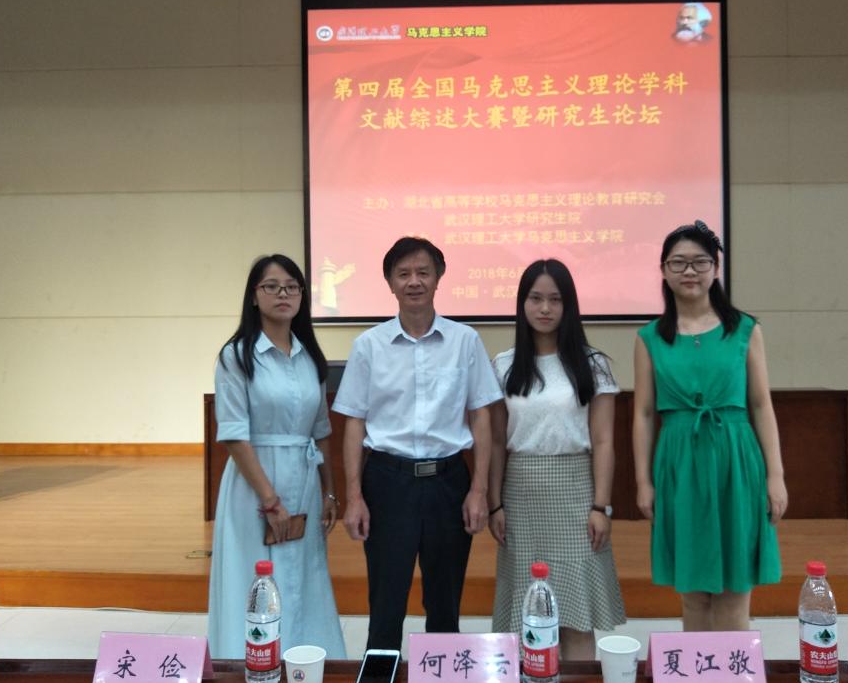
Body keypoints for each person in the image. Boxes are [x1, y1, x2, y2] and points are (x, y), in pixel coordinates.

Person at [333, 236, 502, 651]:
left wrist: (478, 490)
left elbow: (481, 416)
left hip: (448, 480)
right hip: (387, 481)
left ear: (438, 278)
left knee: (445, 602)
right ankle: (381, 676)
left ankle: (443, 676)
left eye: (423, 272)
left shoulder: (465, 340)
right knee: (386, 599)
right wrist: (353, 497)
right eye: (404, 273)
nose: (414, 281)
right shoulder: (369, 346)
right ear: (390, 282)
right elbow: (354, 423)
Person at [632, 221, 787, 631]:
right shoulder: (650, 338)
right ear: (663, 270)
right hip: (679, 462)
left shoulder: (745, 330)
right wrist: (643, 481)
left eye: (700, 262)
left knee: (736, 589)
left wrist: (775, 476)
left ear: (715, 269)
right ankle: (698, 669)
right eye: (678, 262)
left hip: (736, 459)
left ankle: (732, 669)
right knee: (693, 592)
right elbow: (644, 414)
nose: (689, 271)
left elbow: (761, 404)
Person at [208, 254, 346, 659]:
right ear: (254, 296)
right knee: (252, 577)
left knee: (303, 576)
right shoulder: (236, 356)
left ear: (302, 295)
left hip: (303, 481)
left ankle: (305, 662)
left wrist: (330, 491)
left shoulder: (309, 357)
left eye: (291, 286)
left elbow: (321, 430)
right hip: (254, 484)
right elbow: (234, 435)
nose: (282, 294)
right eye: (271, 286)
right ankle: (249, 666)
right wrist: (270, 501)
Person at [489, 259, 626, 660]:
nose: (545, 308)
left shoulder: (593, 364)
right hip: (520, 493)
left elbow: (604, 441)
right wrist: (494, 503)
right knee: (526, 614)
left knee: (576, 615)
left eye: (555, 299)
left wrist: (601, 506)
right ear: (522, 304)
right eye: (535, 299)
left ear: (569, 305)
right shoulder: (504, 364)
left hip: (576, 492)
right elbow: (495, 441)